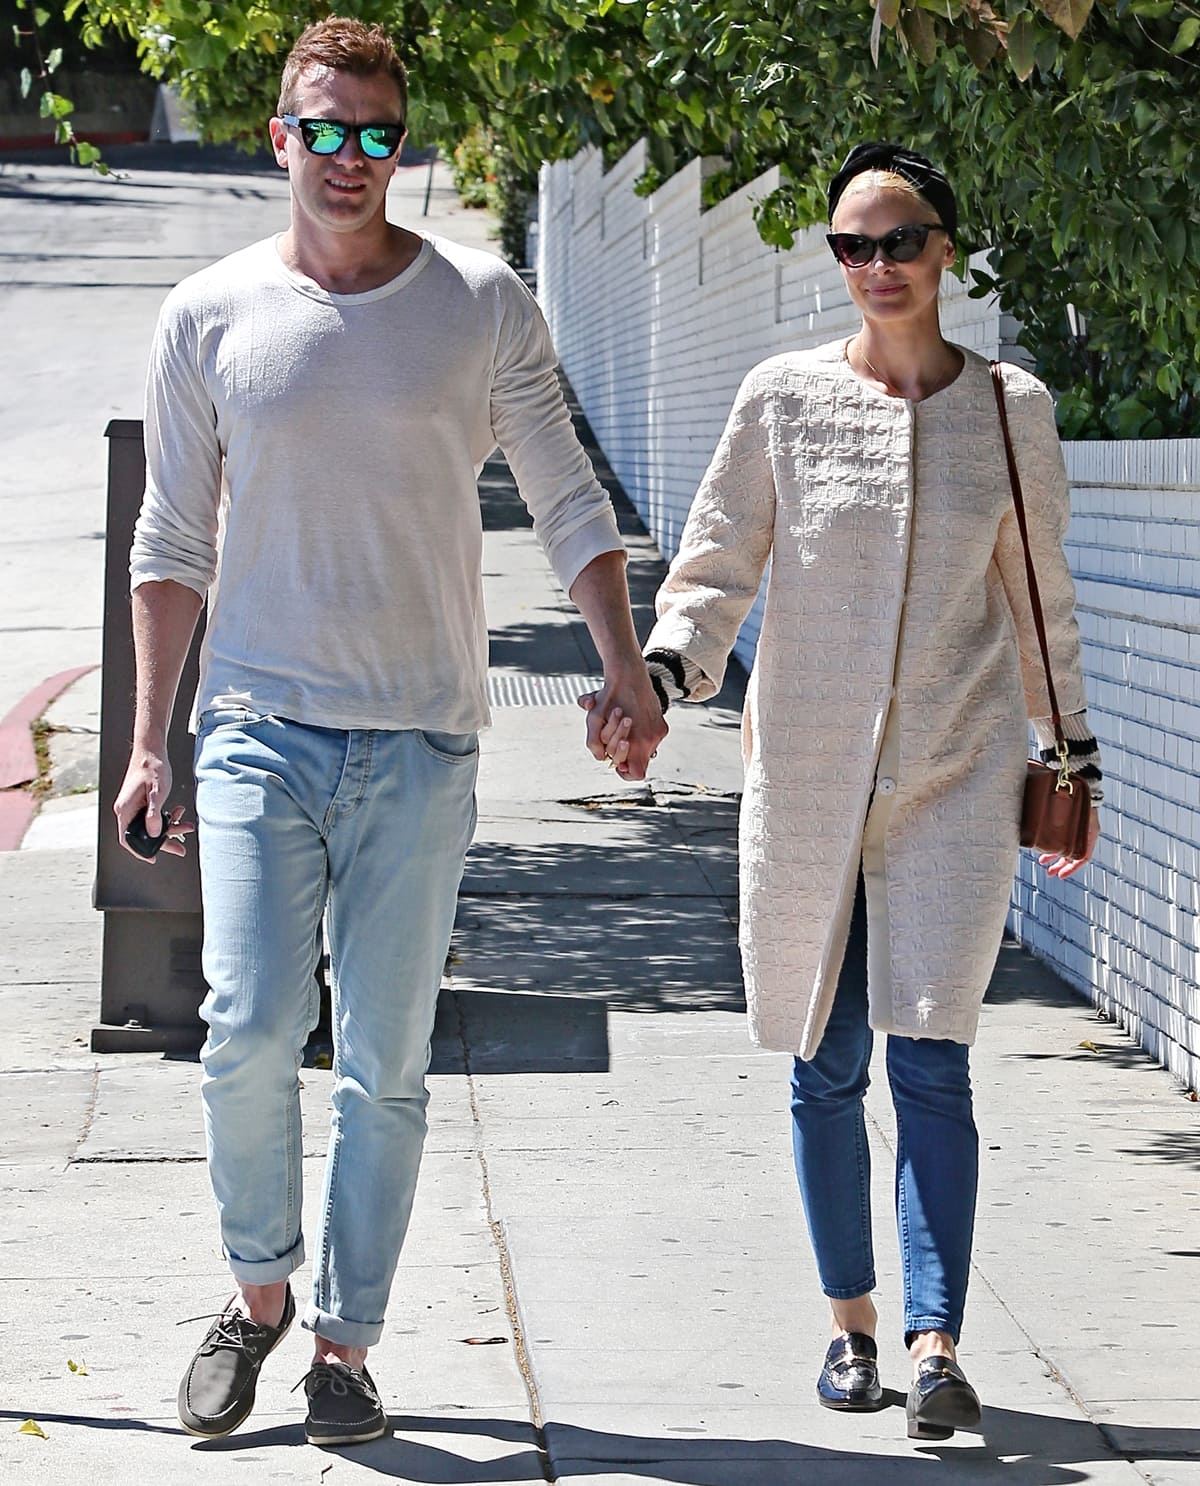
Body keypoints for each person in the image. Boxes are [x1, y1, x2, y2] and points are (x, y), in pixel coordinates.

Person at [115, 16, 665, 1448]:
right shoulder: (209, 313)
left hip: (420, 741)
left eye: (376, 134)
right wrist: (147, 744)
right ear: (279, 137)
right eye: (324, 128)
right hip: (254, 729)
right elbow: (170, 539)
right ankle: (256, 1300)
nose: (349, 157)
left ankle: (345, 1346)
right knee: (245, 1030)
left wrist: (623, 666)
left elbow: (565, 495)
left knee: (385, 1062)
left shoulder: (479, 305)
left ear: (399, 148)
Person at [603, 142, 1102, 1439]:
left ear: (948, 250)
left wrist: (1071, 753)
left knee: (933, 1057)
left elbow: (1041, 602)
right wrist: (670, 669)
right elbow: (714, 562)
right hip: (811, 773)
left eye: (899, 240)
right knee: (824, 1066)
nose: (875, 267)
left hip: (956, 776)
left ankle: (938, 1341)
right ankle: (854, 1325)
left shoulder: (1010, 409)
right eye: (850, 246)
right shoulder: (783, 398)